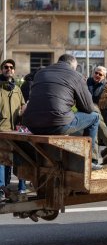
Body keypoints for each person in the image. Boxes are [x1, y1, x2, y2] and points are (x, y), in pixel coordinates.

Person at [22, 54, 101, 171]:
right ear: (73, 65)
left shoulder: (40, 73)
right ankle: (90, 160)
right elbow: (88, 108)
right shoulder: (75, 75)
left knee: (66, 117)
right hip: (57, 125)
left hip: (32, 125)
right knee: (95, 117)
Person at [0, 59, 27, 198]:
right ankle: (1, 189)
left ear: (14, 71)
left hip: (15, 131)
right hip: (1, 130)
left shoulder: (17, 89)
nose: (9, 69)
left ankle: (13, 187)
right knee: (1, 160)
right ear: (1, 70)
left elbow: (22, 106)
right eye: (6, 67)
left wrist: (24, 111)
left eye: (11, 67)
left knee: (13, 160)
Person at [86, 66, 107, 165]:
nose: (97, 75)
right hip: (85, 111)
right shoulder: (86, 82)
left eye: (100, 74)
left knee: (95, 135)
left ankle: (95, 160)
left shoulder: (105, 88)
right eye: (96, 73)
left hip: (96, 112)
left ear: (104, 77)